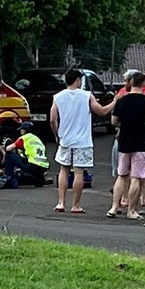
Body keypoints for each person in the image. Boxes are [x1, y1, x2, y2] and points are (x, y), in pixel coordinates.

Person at [51, 68, 116, 214]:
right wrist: (114, 102)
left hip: (65, 139)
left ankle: (61, 202)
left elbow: (52, 118)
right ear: (78, 80)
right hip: (82, 140)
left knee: (63, 170)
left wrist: (57, 133)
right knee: (78, 172)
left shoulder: (58, 97)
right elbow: (102, 111)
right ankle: (75, 205)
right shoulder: (87, 96)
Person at [108, 72, 145, 220]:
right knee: (136, 178)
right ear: (144, 84)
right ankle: (131, 210)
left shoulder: (122, 101)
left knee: (121, 176)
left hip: (124, 142)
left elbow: (113, 122)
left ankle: (114, 207)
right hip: (142, 143)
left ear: (130, 83)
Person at [3, 122, 50, 187]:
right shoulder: (38, 139)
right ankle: (39, 179)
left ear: (24, 130)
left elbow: (8, 148)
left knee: (9, 155)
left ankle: (9, 179)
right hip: (43, 167)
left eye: (21, 130)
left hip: (32, 165)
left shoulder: (25, 138)